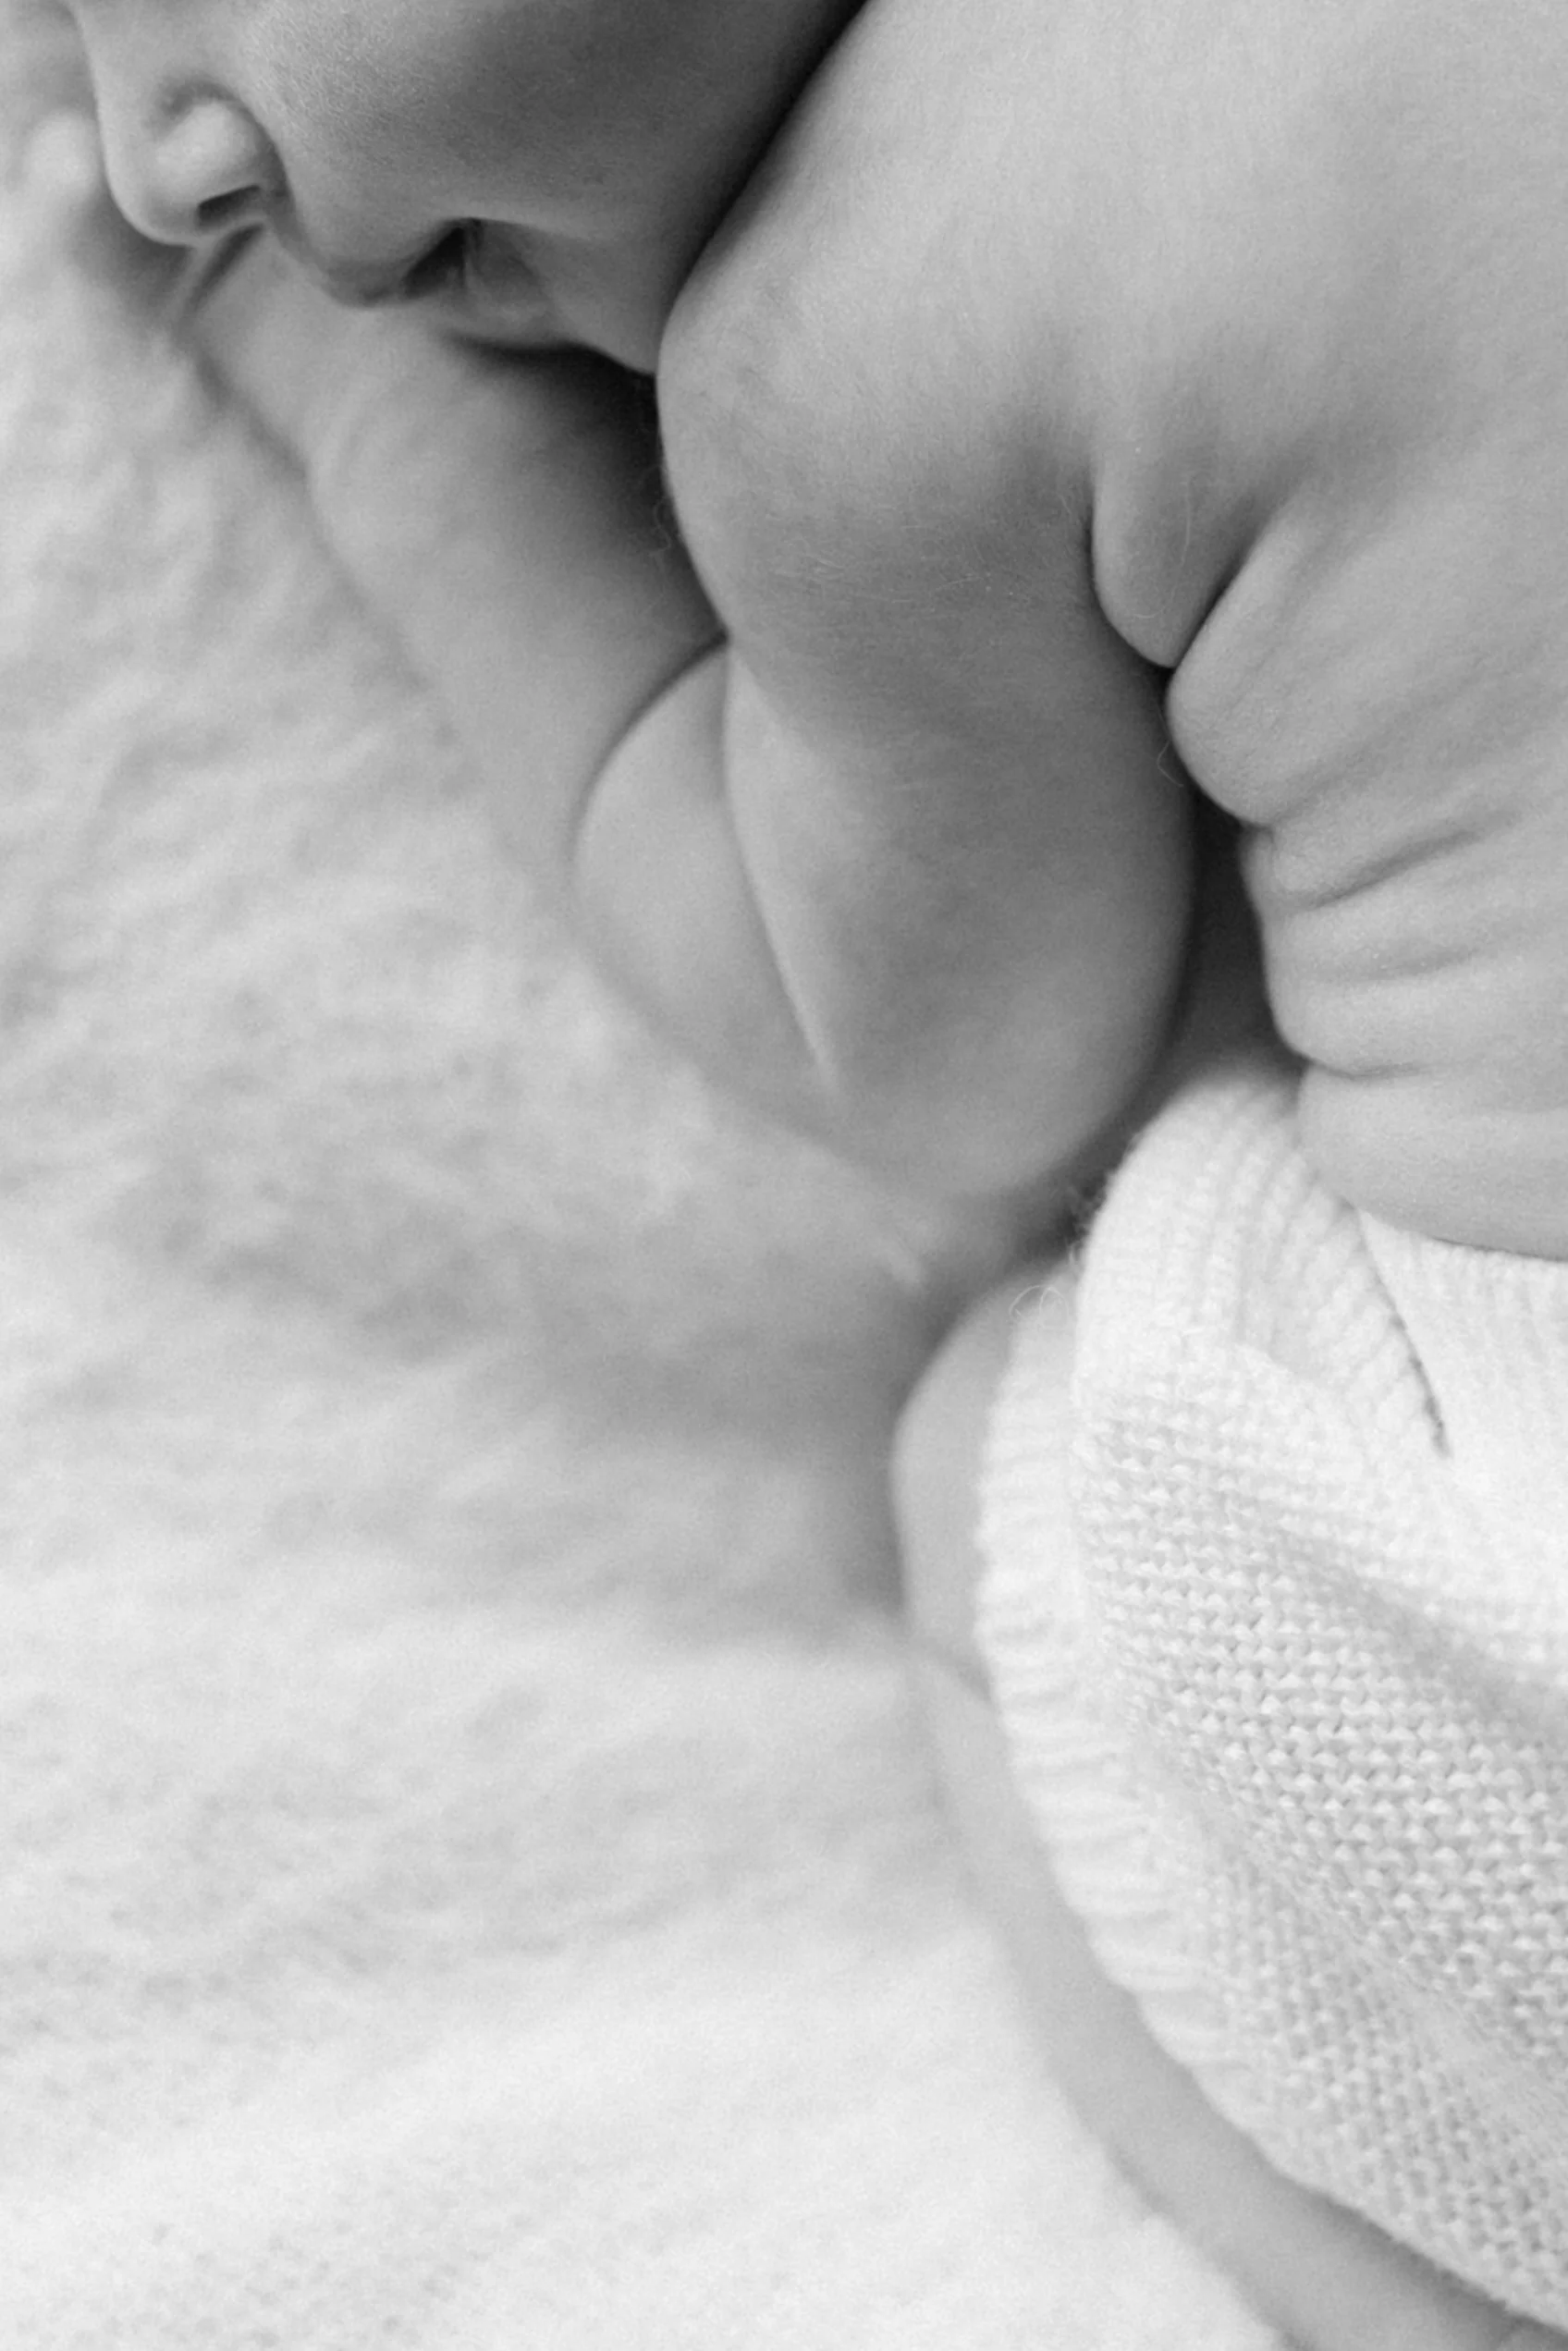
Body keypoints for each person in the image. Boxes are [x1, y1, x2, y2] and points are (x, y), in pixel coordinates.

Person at [30, 0, 1568, 2339]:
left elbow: (953, 1063)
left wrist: (367, 421)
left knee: (993, 1469)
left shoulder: (865, 331)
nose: (153, 165)